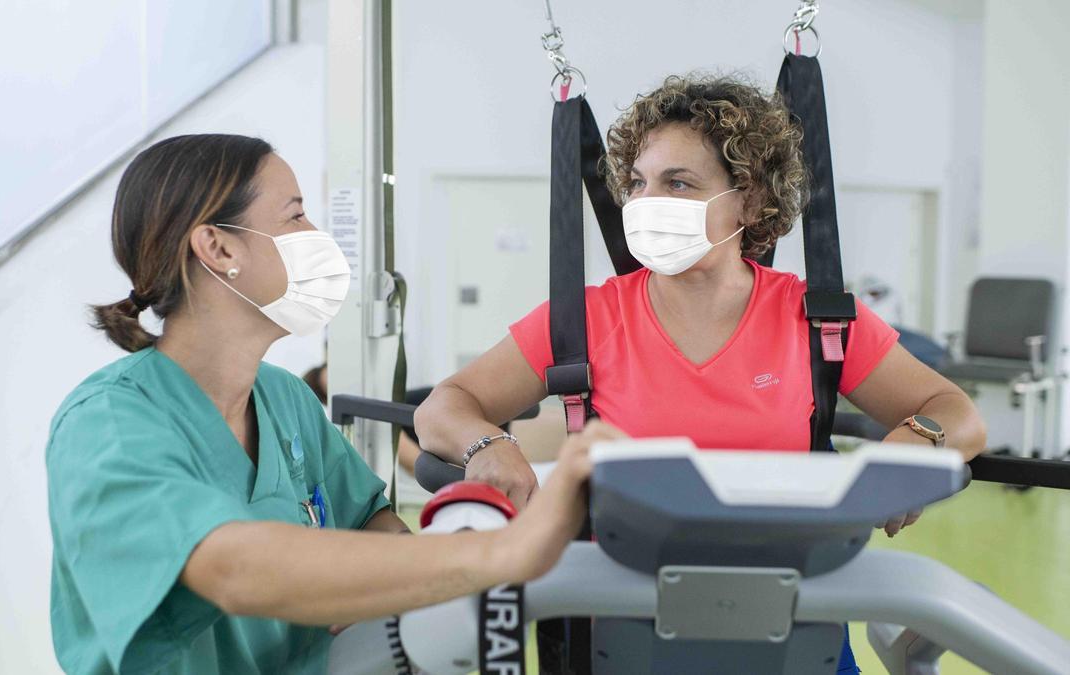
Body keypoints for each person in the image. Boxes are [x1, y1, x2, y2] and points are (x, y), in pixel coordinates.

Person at [414, 76, 988, 674]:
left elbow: (957, 413)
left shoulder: (816, 317)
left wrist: (914, 441)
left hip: (795, 625)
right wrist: (488, 443)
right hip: (624, 623)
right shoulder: (585, 318)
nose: (645, 202)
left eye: (678, 183)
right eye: (638, 183)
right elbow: (445, 406)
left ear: (751, 199)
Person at [45, 133, 620, 674]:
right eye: (295, 215)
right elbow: (232, 568)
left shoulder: (284, 398)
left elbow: (367, 522)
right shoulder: (108, 424)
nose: (315, 232)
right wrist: (502, 553)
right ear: (217, 246)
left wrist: (450, 562)